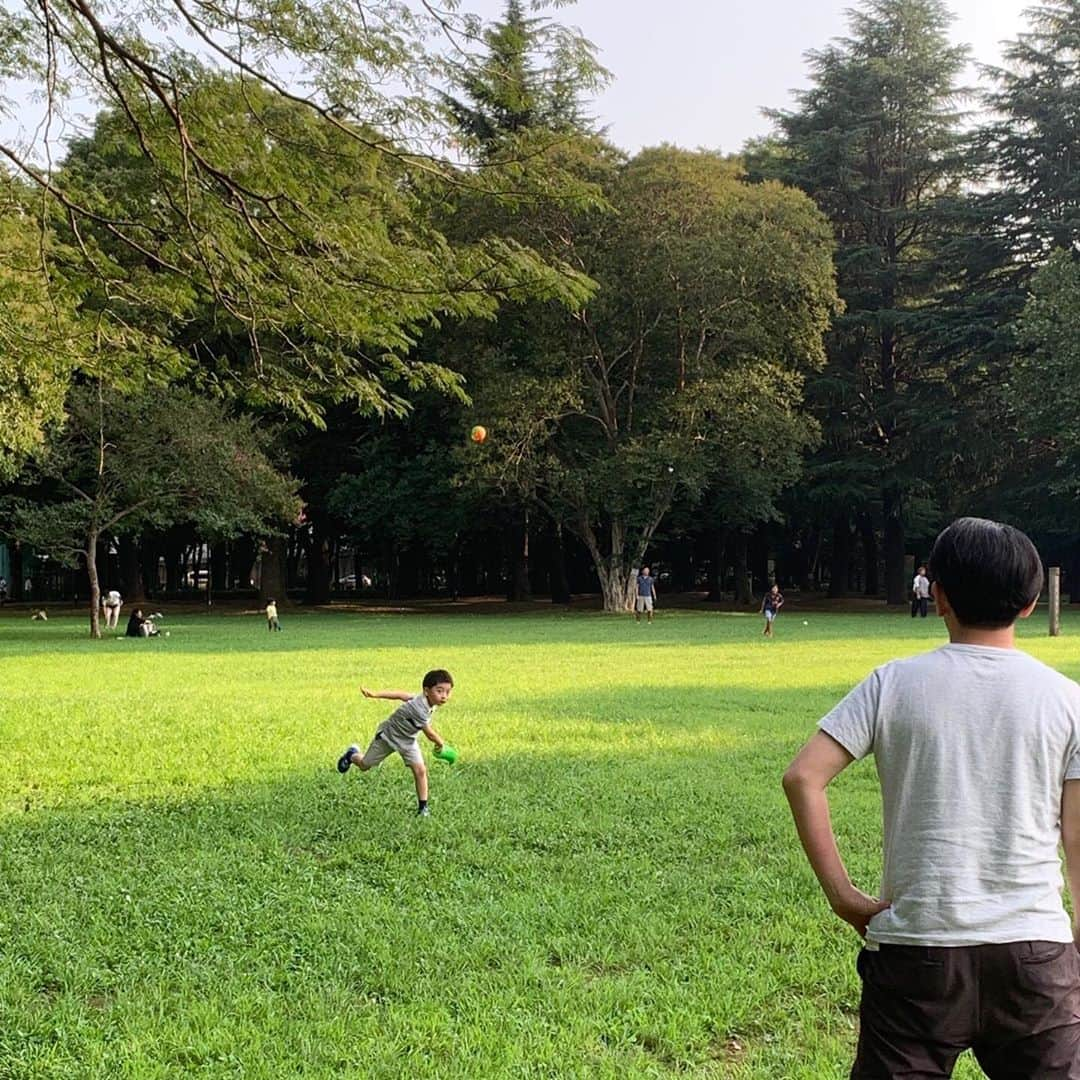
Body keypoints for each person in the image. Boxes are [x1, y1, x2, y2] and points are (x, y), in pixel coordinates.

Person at [782, 517, 1080, 1078]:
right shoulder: (1068, 701)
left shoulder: (891, 684)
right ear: (1031, 603)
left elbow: (803, 777)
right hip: (1036, 954)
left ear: (937, 594)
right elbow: (1077, 834)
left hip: (916, 950)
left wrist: (843, 896)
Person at [337, 670, 453, 817]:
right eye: (440, 691)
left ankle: (423, 808)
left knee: (420, 770)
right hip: (388, 736)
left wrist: (375, 694)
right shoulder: (419, 709)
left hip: (408, 740)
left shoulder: (426, 700)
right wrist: (441, 743)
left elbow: (401, 695)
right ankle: (352, 754)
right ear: (426, 691)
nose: (444, 696)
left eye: (448, 692)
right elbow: (429, 733)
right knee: (365, 765)